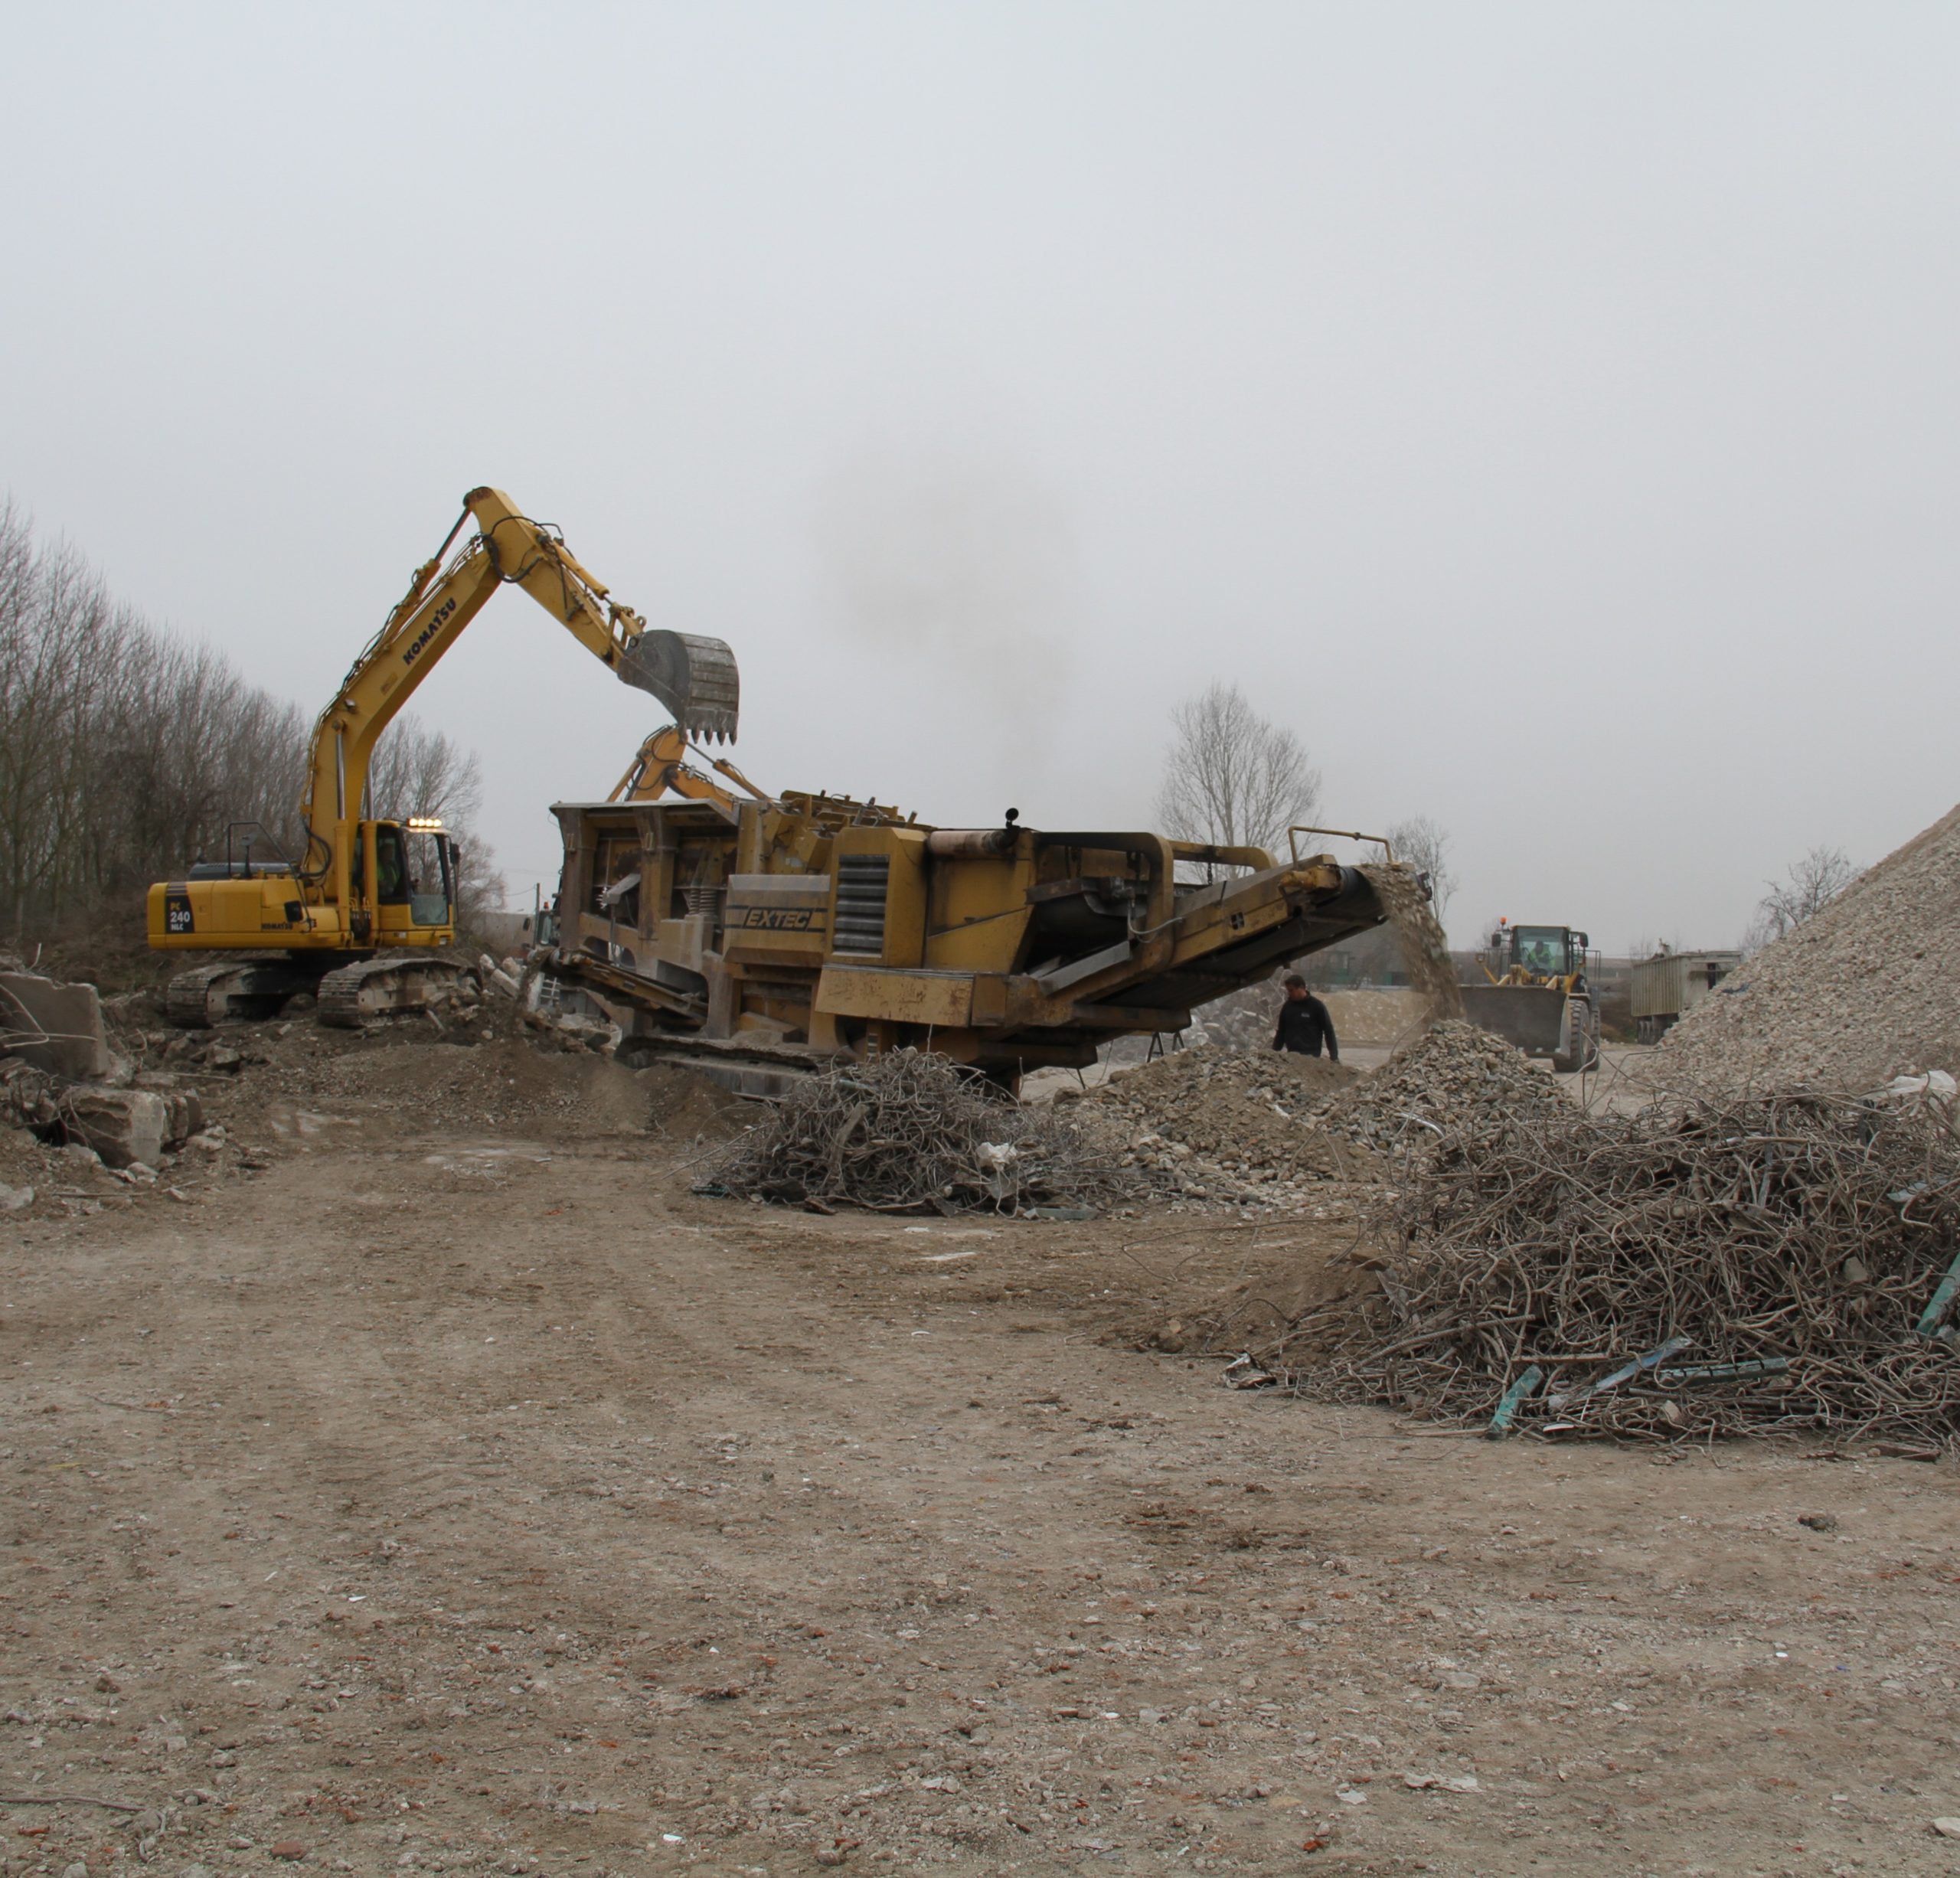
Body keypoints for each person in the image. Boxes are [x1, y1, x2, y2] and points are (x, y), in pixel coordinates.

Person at [1272, 972, 1338, 1061]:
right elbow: (1281, 1032)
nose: (1289, 994)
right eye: (1288, 991)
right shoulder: (1288, 1007)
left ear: (1302, 988)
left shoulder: (1316, 1006)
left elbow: (1329, 1031)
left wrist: (1334, 1057)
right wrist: (1273, 1054)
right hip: (1292, 1055)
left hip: (1312, 1056)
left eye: (1292, 991)